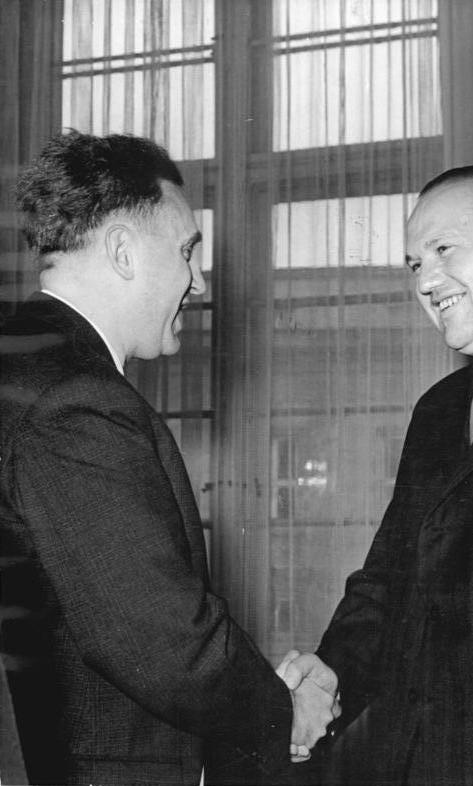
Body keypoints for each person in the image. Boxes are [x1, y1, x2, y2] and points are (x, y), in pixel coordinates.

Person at [0, 130, 339, 786]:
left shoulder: (27, 362)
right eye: (187, 252)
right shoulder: (75, 398)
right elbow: (153, 634)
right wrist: (282, 710)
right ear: (124, 250)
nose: (198, 280)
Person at [288, 165, 473, 784]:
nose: (426, 280)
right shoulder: (439, 409)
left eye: (444, 249)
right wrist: (331, 673)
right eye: (415, 264)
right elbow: (392, 574)